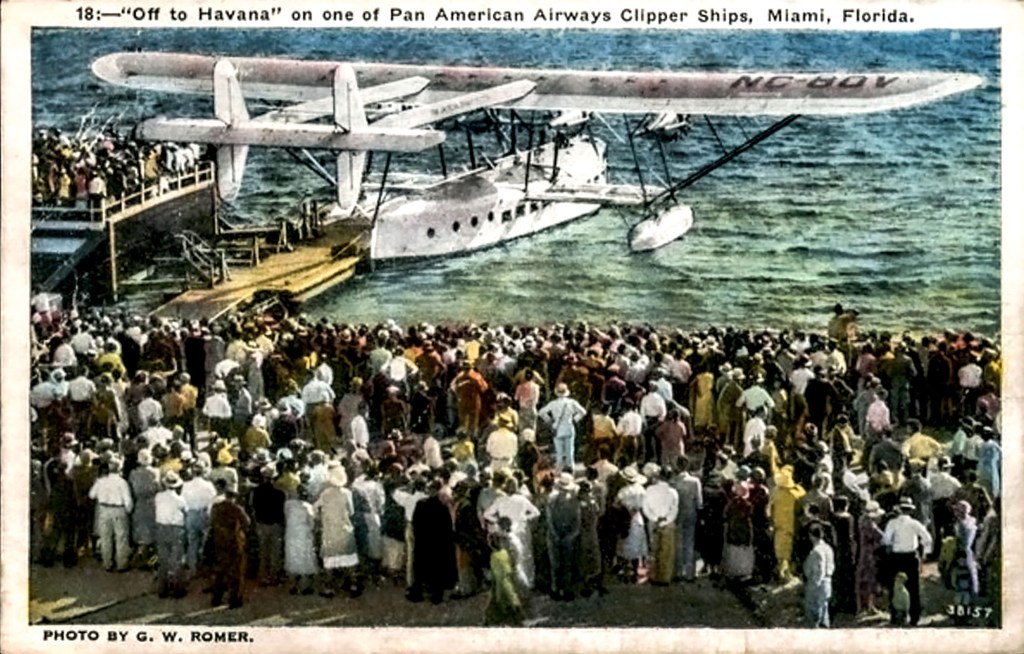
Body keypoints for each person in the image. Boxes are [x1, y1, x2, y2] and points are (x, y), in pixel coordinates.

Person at [882, 496, 933, 626]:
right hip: (911, 556)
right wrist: (925, 554)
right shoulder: (915, 523)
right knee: (913, 587)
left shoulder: (892, 523)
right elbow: (927, 538)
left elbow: (886, 540)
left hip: (896, 557)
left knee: (894, 586)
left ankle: (895, 615)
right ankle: (914, 616)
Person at [315, 462, 361, 597]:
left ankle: (329, 588)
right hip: (345, 529)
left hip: (330, 531)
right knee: (349, 559)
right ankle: (353, 585)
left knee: (329, 561)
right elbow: (351, 511)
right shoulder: (347, 493)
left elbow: (315, 507)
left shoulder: (325, 493)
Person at [408, 479, 457, 604]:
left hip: (423, 542)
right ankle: (436, 596)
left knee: (419, 569)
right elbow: (448, 526)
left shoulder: (421, 504)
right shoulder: (442, 507)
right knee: (437, 570)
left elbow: (415, 523)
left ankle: (416, 594)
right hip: (438, 544)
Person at [208, 478, 250, 608]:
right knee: (236, 572)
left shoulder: (216, 507)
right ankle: (234, 600)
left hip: (219, 541)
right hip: (234, 542)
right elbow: (247, 523)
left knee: (219, 571)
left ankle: (216, 598)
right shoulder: (236, 509)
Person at [87, 456, 133, 572]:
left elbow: (91, 495)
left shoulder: (101, 481)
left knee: (105, 537)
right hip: (118, 509)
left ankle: (107, 562)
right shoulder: (122, 483)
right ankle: (121, 563)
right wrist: (128, 510)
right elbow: (127, 500)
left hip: (103, 509)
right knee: (121, 537)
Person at [546, 473, 582, 600]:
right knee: (558, 564)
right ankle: (558, 588)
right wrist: (556, 534)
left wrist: (571, 535)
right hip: (558, 534)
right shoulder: (553, 499)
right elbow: (549, 519)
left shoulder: (573, 501)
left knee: (563, 564)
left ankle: (563, 588)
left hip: (565, 534)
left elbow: (577, 521)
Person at [642, 466, 679, 586]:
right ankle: (664, 577)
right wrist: (665, 520)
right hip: (668, 524)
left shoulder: (650, 490)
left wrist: (655, 519)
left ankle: (653, 575)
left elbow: (645, 508)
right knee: (666, 552)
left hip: (653, 523)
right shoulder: (673, 492)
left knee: (653, 550)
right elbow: (674, 510)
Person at [154, 470, 188, 598]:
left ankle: (162, 588)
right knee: (176, 560)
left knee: (163, 559)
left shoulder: (158, 497)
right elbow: (186, 511)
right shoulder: (180, 499)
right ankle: (177, 589)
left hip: (161, 528)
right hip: (175, 529)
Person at [538, 383, 587, 472]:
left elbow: (541, 412)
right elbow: (583, 412)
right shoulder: (572, 402)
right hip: (569, 428)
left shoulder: (553, 404)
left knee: (559, 453)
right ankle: (571, 470)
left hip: (557, 429)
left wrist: (549, 420)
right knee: (570, 452)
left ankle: (558, 471)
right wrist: (575, 419)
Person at [483, 529, 525, 626]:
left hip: (498, 587)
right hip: (504, 587)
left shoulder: (494, 556)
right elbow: (506, 575)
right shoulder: (502, 555)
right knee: (511, 605)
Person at [672, 457, 702, 581]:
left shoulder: (674, 481)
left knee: (679, 542)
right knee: (689, 542)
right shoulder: (695, 482)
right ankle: (688, 572)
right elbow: (699, 501)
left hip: (678, 513)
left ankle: (678, 571)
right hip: (691, 513)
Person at [803, 524, 835, 628]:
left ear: (811, 536)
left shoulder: (816, 551)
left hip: (817, 584)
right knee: (824, 609)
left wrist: (815, 584)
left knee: (814, 612)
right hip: (828, 582)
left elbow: (819, 569)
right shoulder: (828, 548)